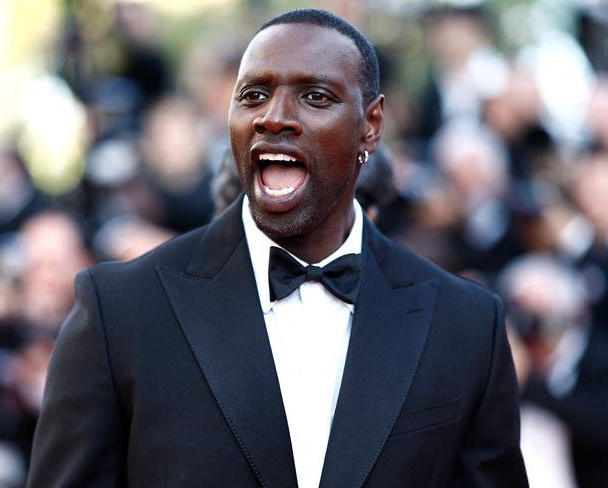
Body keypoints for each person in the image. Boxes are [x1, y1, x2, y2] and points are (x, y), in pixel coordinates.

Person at [27, 9, 528, 487]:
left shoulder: (464, 325)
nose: (274, 117)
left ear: (371, 124)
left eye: (313, 96)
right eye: (253, 95)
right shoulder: (121, 311)